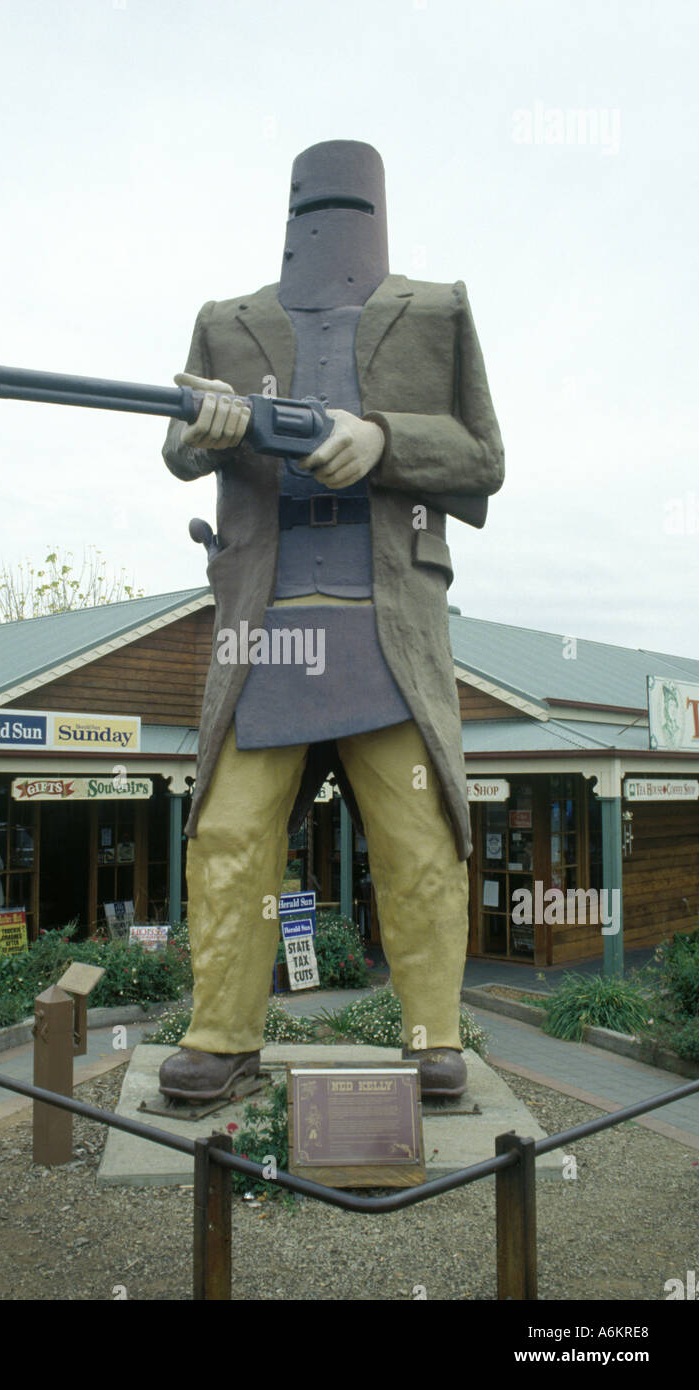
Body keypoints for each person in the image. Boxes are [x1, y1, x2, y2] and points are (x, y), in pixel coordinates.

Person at [159, 140, 504, 1100]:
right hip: (261, 626)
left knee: (419, 842)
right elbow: (178, 442)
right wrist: (207, 427)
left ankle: (433, 1036)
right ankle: (222, 1037)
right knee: (228, 832)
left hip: (385, 629)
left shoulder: (437, 309)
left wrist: (382, 437)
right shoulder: (222, 323)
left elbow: (482, 455)